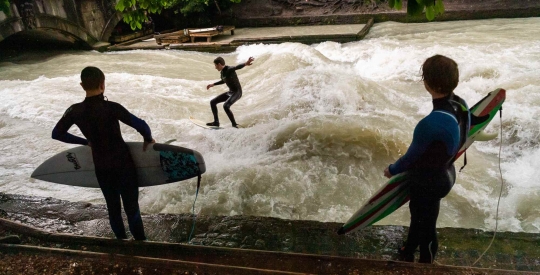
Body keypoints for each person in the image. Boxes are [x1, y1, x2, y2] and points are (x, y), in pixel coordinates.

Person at [383, 55, 470, 263]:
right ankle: (409, 248)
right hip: (447, 172)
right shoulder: (461, 105)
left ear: (428, 84)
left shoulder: (431, 124)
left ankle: (426, 261)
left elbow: (411, 158)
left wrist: (392, 170)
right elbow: (466, 134)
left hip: (428, 181)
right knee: (422, 216)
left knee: (426, 222)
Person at [52, 66, 155, 241]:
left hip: (102, 166)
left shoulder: (74, 110)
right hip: (124, 165)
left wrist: (85, 142)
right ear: (103, 84)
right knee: (132, 208)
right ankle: (141, 244)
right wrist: (148, 138)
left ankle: (121, 243)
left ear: (82, 85)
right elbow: (141, 125)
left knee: (113, 209)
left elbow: (57, 134)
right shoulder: (112, 107)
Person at [206, 56, 255, 128]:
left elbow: (237, 67)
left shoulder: (229, 69)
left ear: (219, 64)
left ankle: (234, 125)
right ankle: (216, 122)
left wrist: (246, 63)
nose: (215, 67)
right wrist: (213, 84)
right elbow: (223, 81)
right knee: (212, 102)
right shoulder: (222, 72)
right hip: (231, 92)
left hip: (237, 92)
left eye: (215, 65)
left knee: (226, 106)